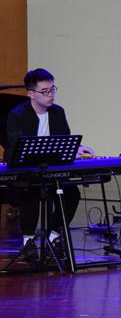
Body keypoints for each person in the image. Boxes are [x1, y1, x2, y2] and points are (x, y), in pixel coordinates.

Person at [4, 68, 95, 257]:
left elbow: (64, 139)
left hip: (51, 170)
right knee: (30, 193)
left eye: (52, 90)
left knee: (71, 194)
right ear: (31, 94)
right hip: (26, 172)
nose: (50, 95)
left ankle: (53, 235)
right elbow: (16, 146)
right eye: (45, 91)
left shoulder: (58, 112)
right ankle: (28, 241)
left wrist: (77, 149)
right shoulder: (17, 115)